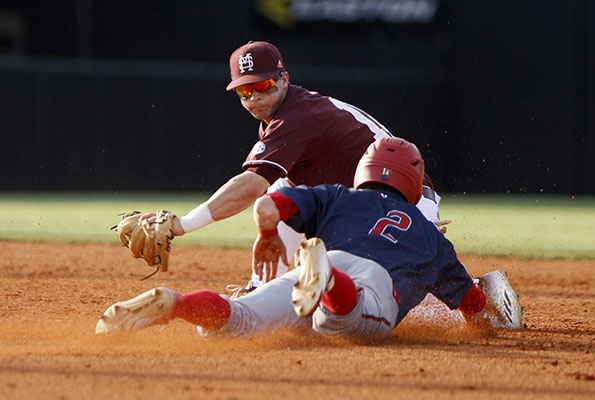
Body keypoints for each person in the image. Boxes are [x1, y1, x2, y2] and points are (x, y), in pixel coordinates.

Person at [96, 137, 523, 338]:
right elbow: (471, 304)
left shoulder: (336, 196)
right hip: (356, 282)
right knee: (343, 322)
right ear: (413, 183)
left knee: (238, 321)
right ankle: (327, 281)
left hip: (313, 264)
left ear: (364, 174)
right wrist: (482, 318)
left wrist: (267, 234)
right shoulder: (431, 238)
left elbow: (268, 204)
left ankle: (177, 304)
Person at [146, 40, 446, 294]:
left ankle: (477, 293)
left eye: (263, 85)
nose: (255, 97)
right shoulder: (287, 115)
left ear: (284, 79)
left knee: (390, 296)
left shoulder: (297, 118)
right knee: (283, 191)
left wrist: (182, 224)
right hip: (360, 205)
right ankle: (260, 289)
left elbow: (250, 186)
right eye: (244, 91)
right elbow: (275, 194)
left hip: (407, 202)